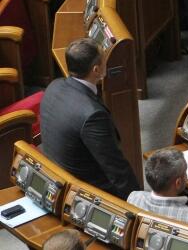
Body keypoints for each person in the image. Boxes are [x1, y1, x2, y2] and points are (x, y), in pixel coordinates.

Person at [39, 38, 141, 199]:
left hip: (57, 171)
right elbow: (116, 169)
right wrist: (139, 202)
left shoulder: (54, 86)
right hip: (85, 191)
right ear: (96, 70)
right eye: (104, 59)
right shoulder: (93, 115)